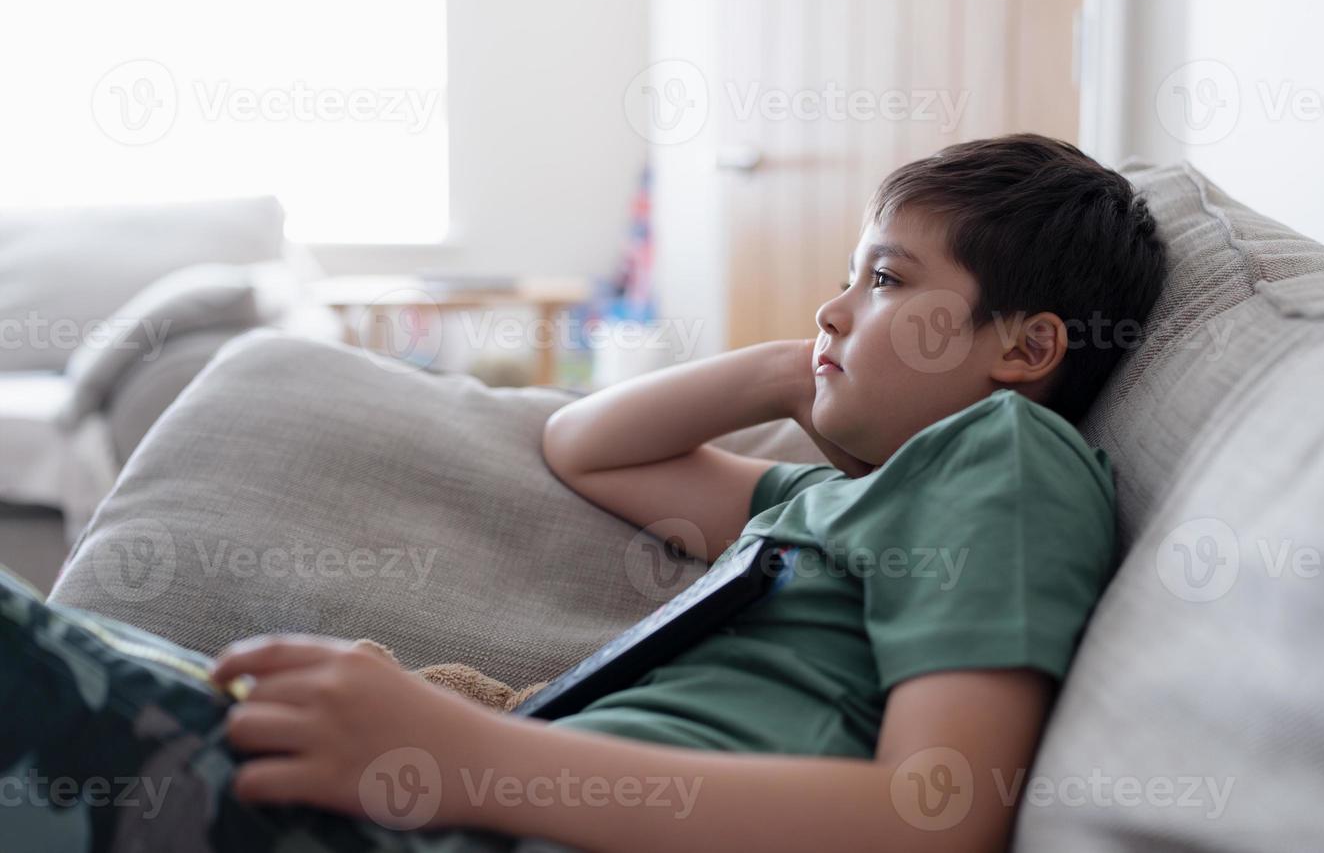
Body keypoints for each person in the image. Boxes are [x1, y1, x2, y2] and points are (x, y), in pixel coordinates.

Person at [0, 133, 1167, 853]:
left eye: (884, 278)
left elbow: (938, 815)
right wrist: (784, 366)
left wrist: (464, 757)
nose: (832, 305)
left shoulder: (1002, 456)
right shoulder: (838, 501)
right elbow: (587, 446)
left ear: (1022, 351)